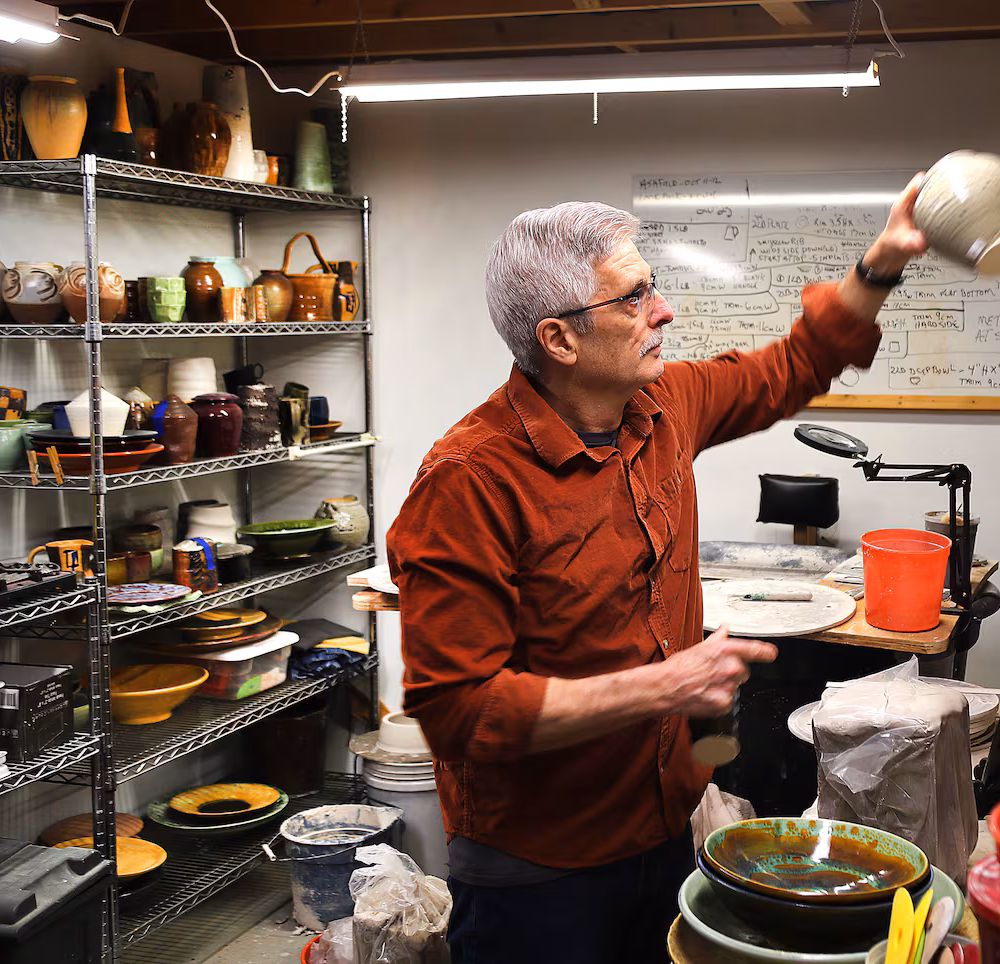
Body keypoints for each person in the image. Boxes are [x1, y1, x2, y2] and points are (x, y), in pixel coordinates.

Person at [386, 174, 929, 963]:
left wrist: (881, 263)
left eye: (654, 287)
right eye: (633, 298)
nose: (663, 311)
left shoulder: (662, 407)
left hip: (662, 828)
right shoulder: (469, 481)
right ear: (559, 340)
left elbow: (795, 363)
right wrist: (663, 687)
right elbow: (459, 712)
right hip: (538, 872)